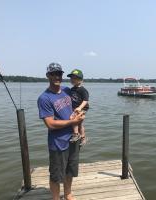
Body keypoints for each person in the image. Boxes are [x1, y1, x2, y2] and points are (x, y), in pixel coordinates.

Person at [37, 63, 85, 200]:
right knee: (56, 175)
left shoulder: (67, 90)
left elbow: (79, 106)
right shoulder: (44, 98)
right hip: (58, 143)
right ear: (48, 76)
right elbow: (50, 124)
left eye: (59, 73)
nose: (57, 76)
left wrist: (81, 126)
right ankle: (56, 198)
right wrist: (73, 122)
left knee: (70, 170)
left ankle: (68, 194)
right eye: (53, 74)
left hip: (74, 138)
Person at [67, 69, 89, 146]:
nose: (72, 80)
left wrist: (80, 108)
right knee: (80, 124)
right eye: (71, 78)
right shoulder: (72, 89)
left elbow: (85, 100)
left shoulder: (83, 90)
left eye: (75, 78)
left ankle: (76, 134)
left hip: (83, 108)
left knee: (72, 118)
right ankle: (83, 138)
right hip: (76, 108)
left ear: (81, 80)